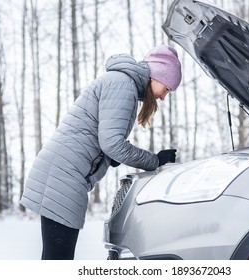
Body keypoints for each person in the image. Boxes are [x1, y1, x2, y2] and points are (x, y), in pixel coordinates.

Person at [20, 45, 182, 260]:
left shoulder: (121, 83)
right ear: (158, 75)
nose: (163, 97)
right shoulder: (123, 86)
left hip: (60, 173)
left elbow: (100, 137)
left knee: (55, 258)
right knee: (58, 260)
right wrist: (155, 160)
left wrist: (110, 157)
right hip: (63, 177)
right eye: (168, 89)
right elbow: (112, 143)